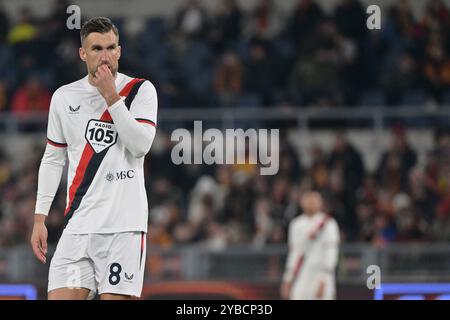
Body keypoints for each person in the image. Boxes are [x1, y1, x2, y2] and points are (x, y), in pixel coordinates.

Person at [30, 17, 158, 300]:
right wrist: (39, 218)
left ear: (120, 51)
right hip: (77, 228)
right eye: (97, 48)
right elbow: (53, 159)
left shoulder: (140, 91)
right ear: (82, 54)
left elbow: (140, 146)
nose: (105, 56)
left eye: (111, 48)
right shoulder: (64, 98)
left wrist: (112, 98)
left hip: (122, 229)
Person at [280, 191, 340, 300]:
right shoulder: (296, 224)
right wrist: (288, 278)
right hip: (301, 274)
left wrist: (324, 279)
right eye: (308, 200)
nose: (311, 203)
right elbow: (295, 253)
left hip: (320, 273)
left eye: (314, 201)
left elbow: (331, 253)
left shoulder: (329, 224)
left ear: (321, 203)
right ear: (302, 203)